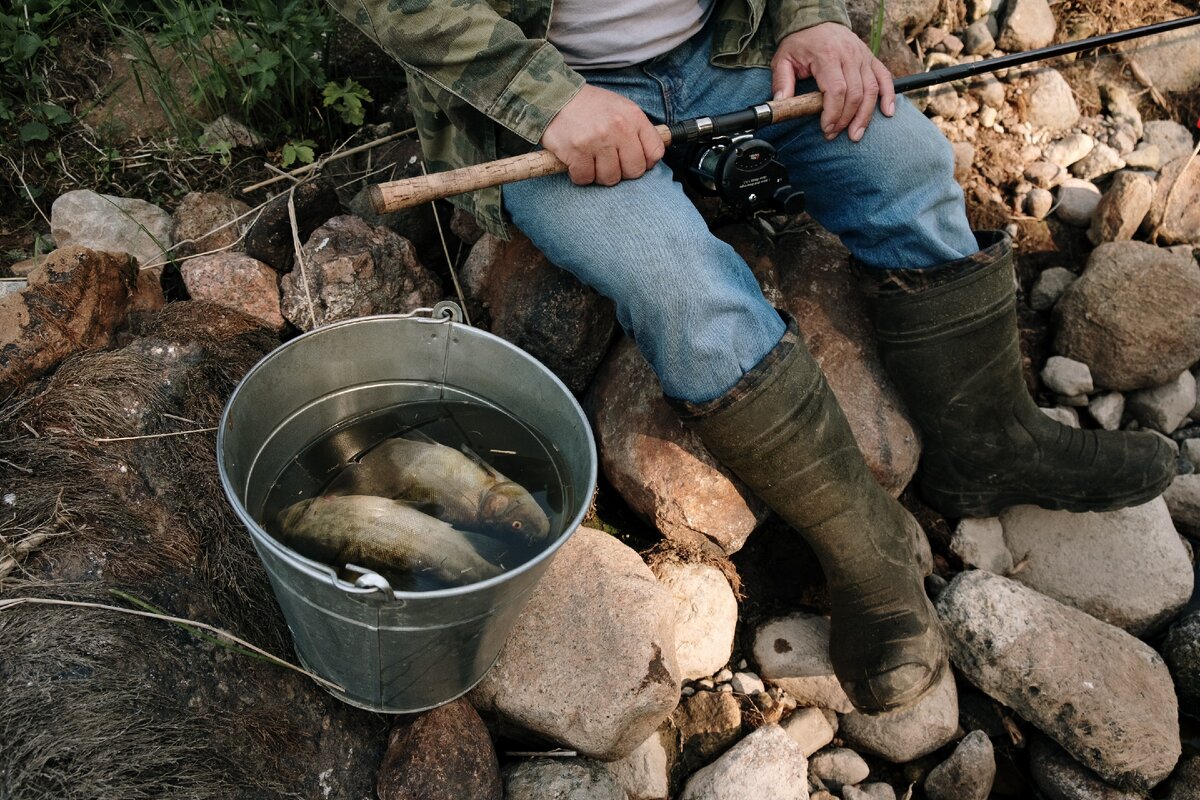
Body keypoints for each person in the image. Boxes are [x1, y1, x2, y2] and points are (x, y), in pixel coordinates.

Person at [329, 0, 1176, 712]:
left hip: (736, 49)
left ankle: (992, 445)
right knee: (684, 288)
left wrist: (812, 18)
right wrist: (541, 96)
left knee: (907, 163)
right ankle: (865, 550)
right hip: (548, 101)